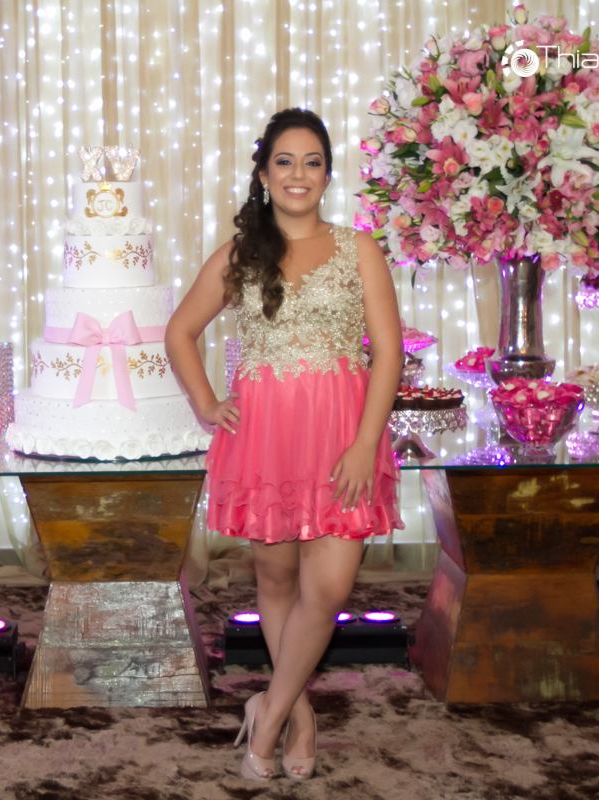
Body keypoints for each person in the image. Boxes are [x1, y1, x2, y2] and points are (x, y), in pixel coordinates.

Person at [164, 107, 404, 781]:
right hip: (264, 440)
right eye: (285, 161)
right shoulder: (241, 255)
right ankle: (299, 716)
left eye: (313, 161)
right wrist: (206, 404)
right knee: (274, 580)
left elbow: (388, 355)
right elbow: (179, 332)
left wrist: (366, 444)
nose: (299, 174)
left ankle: (266, 714)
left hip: (342, 440)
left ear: (327, 174)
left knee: (326, 591)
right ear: (265, 174)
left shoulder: (360, 250)